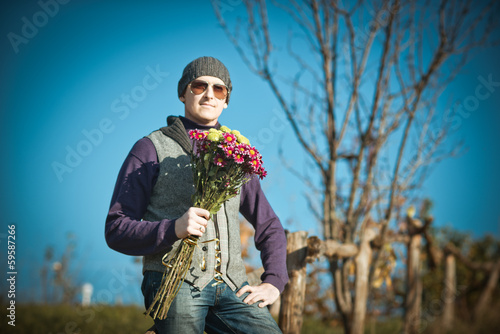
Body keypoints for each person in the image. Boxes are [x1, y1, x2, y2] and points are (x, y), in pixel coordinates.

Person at [105, 56, 288, 333]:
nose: (209, 95)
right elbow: (116, 228)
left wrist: (274, 281)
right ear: (183, 93)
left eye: (219, 89)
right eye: (199, 85)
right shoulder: (150, 148)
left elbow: (269, 225)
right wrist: (173, 229)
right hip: (172, 282)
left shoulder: (237, 156)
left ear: (226, 100)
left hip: (233, 288)